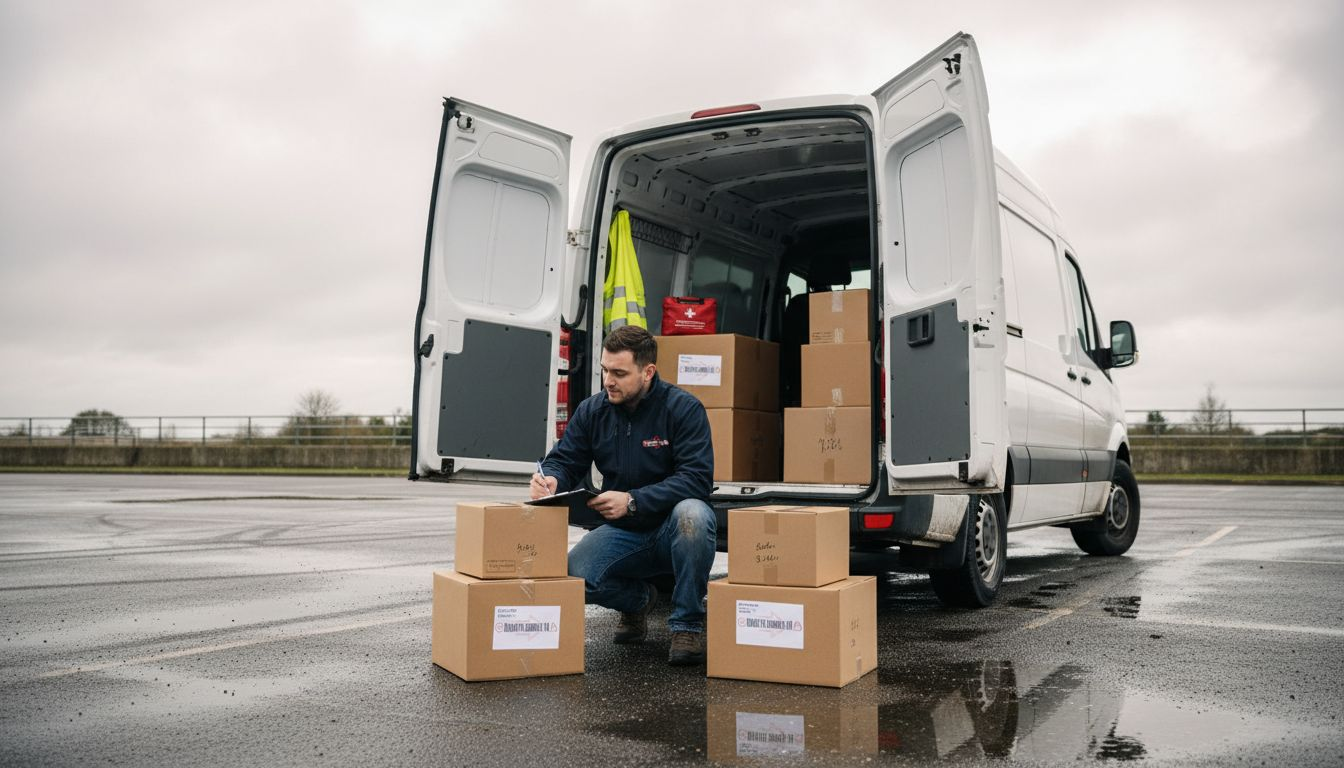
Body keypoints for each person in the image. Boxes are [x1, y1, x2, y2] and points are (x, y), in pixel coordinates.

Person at [531, 325, 715, 666]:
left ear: (648, 372)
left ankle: (686, 625)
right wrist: (551, 479)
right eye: (604, 370)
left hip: (672, 526)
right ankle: (638, 601)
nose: (608, 381)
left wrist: (633, 500)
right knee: (573, 577)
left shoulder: (684, 409)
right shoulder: (593, 411)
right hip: (624, 532)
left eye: (619, 373)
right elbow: (564, 459)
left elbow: (697, 479)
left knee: (695, 514)